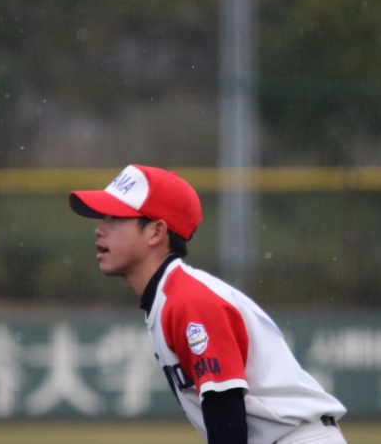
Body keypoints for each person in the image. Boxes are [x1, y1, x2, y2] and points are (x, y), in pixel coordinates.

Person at [68, 164, 348, 444]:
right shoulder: (168, 298)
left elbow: (226, 418)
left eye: (115, 217)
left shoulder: (189, 300)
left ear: (156, 232)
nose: (99, 229)